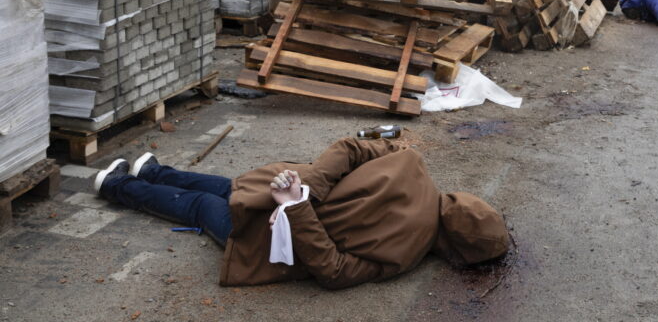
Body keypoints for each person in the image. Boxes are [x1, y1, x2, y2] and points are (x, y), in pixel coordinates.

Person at [93, 138, 510, 289]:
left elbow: (351, 148)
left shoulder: (411, 163)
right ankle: (120, 185)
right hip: (282, 235)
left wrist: (303, 192)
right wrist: (300, 200)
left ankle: (143, 173)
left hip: (284, 204)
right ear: (455, 248)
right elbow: (334, 272)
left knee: (227, 189)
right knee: (215, 201)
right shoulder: (407, 256)